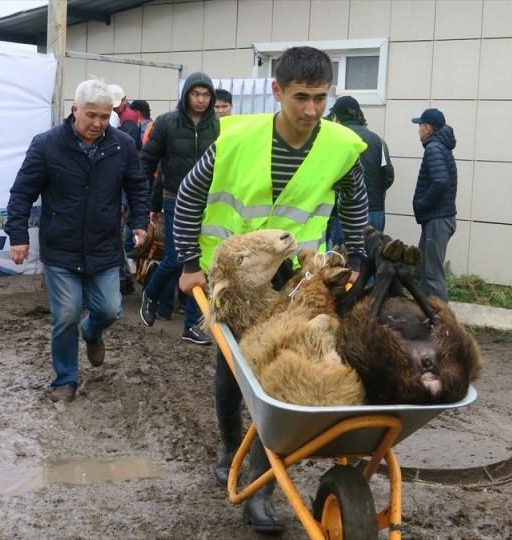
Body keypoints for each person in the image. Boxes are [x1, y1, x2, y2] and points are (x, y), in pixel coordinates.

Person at [174, 46, 369, 535]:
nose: (311, 110)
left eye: (321, 98)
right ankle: (229, 450)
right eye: (301, 97)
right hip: (238, 280)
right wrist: (188, 264)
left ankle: (259, 488)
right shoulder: (236, 138)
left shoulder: (340, 147)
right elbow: (189, 195)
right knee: (232, 374)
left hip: (295, 279)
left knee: (276, 377)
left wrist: (358, 261)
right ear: (277, 90)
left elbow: (355, 205)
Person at [5, 79, 150, 403]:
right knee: (67, 313)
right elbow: (22, 193)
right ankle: (65, 379)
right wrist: (18, 236)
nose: (98, 123)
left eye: (105, 116)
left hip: (104, 246)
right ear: (75, 110)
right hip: (61, 247)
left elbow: (138, 187)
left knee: (110, 309)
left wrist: (139, 223)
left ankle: (92, 331)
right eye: (91, 115)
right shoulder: (47, 145)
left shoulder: (122, 146)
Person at [138, 71, 219, 345]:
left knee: (200, 262)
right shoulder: (166, 123)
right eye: (196, 94)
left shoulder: (218, 127)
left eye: (206, 94)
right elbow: (148, 162)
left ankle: (193, 325)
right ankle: (151, 292)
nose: (201, 100)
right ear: (186, 95)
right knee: (176, 258)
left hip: (208, 200)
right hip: (175, 197)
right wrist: (147, 202)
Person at [325, 95, 394, 248]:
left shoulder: (335, 139)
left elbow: (327, 178)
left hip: (344, 214)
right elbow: (388, 176)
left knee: (341, 260)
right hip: (374, 211)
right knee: (372, 259)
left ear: (336, 117)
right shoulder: (377, 140)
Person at [412, 107, 457, 302]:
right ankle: (425, 313)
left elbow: (440, 182)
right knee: (423, 269)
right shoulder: (441, 147)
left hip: (437, 220)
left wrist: (422, 204)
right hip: (439, 218)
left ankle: (441, 318)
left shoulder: (433, 149)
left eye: (420, 126)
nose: (418, 130)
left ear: (428, 128)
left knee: (432, 275)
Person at [108, 84, 142, 149]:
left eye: (116, 106)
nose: (114, 108)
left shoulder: (129, 118)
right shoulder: (119, 114)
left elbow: (125, 144)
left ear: (124, 100)